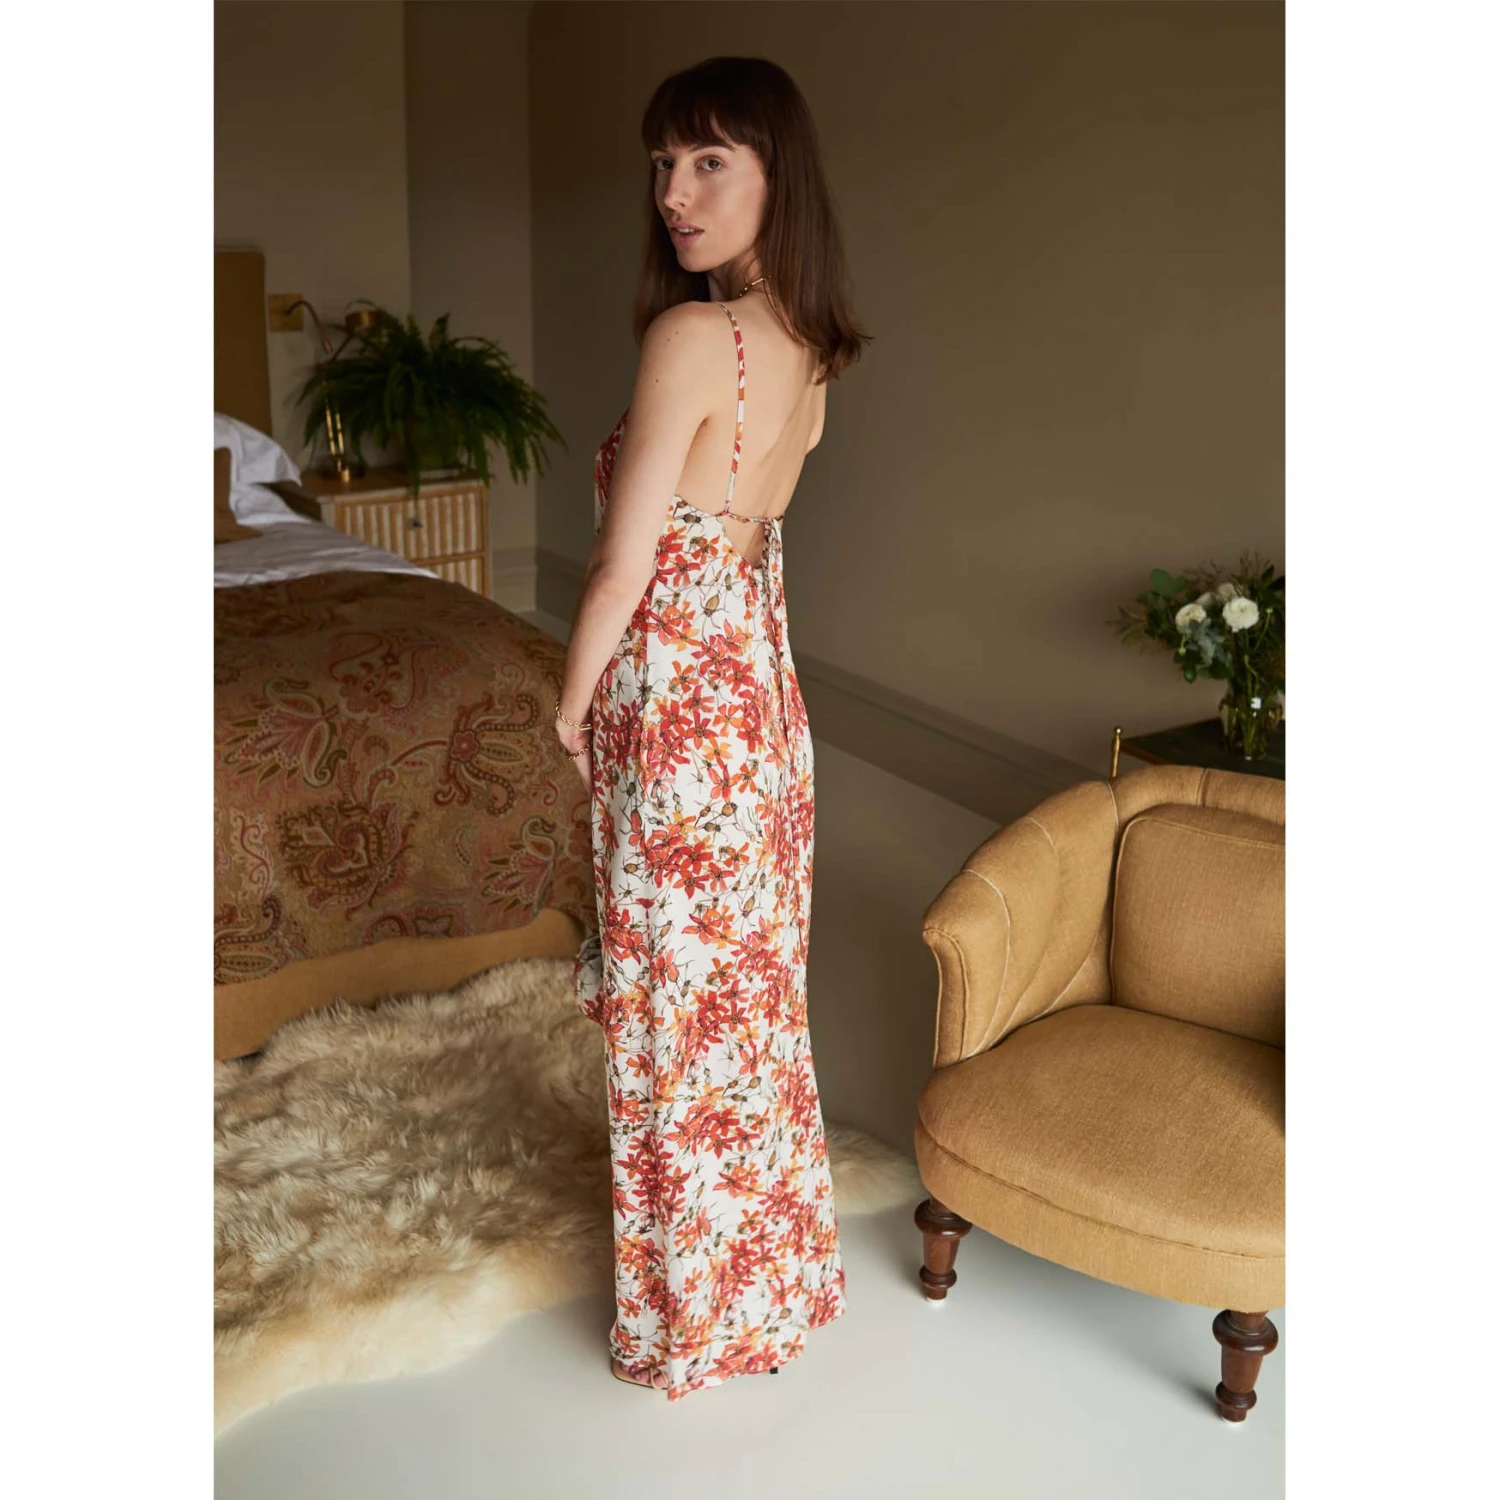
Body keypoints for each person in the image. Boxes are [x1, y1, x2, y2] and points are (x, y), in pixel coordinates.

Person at [554, 55, 871, 1401]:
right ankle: (765, 1294)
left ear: (774, 175)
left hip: (678, 712)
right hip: (758, 712)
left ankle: (687, 1321)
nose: (674, 195)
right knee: (744, 1016)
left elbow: (623, 566)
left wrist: (570, 699)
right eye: (662, 166)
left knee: (673, 1018)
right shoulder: (813, 348)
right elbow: (740, 538)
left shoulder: (694, 339)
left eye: (708, 162)